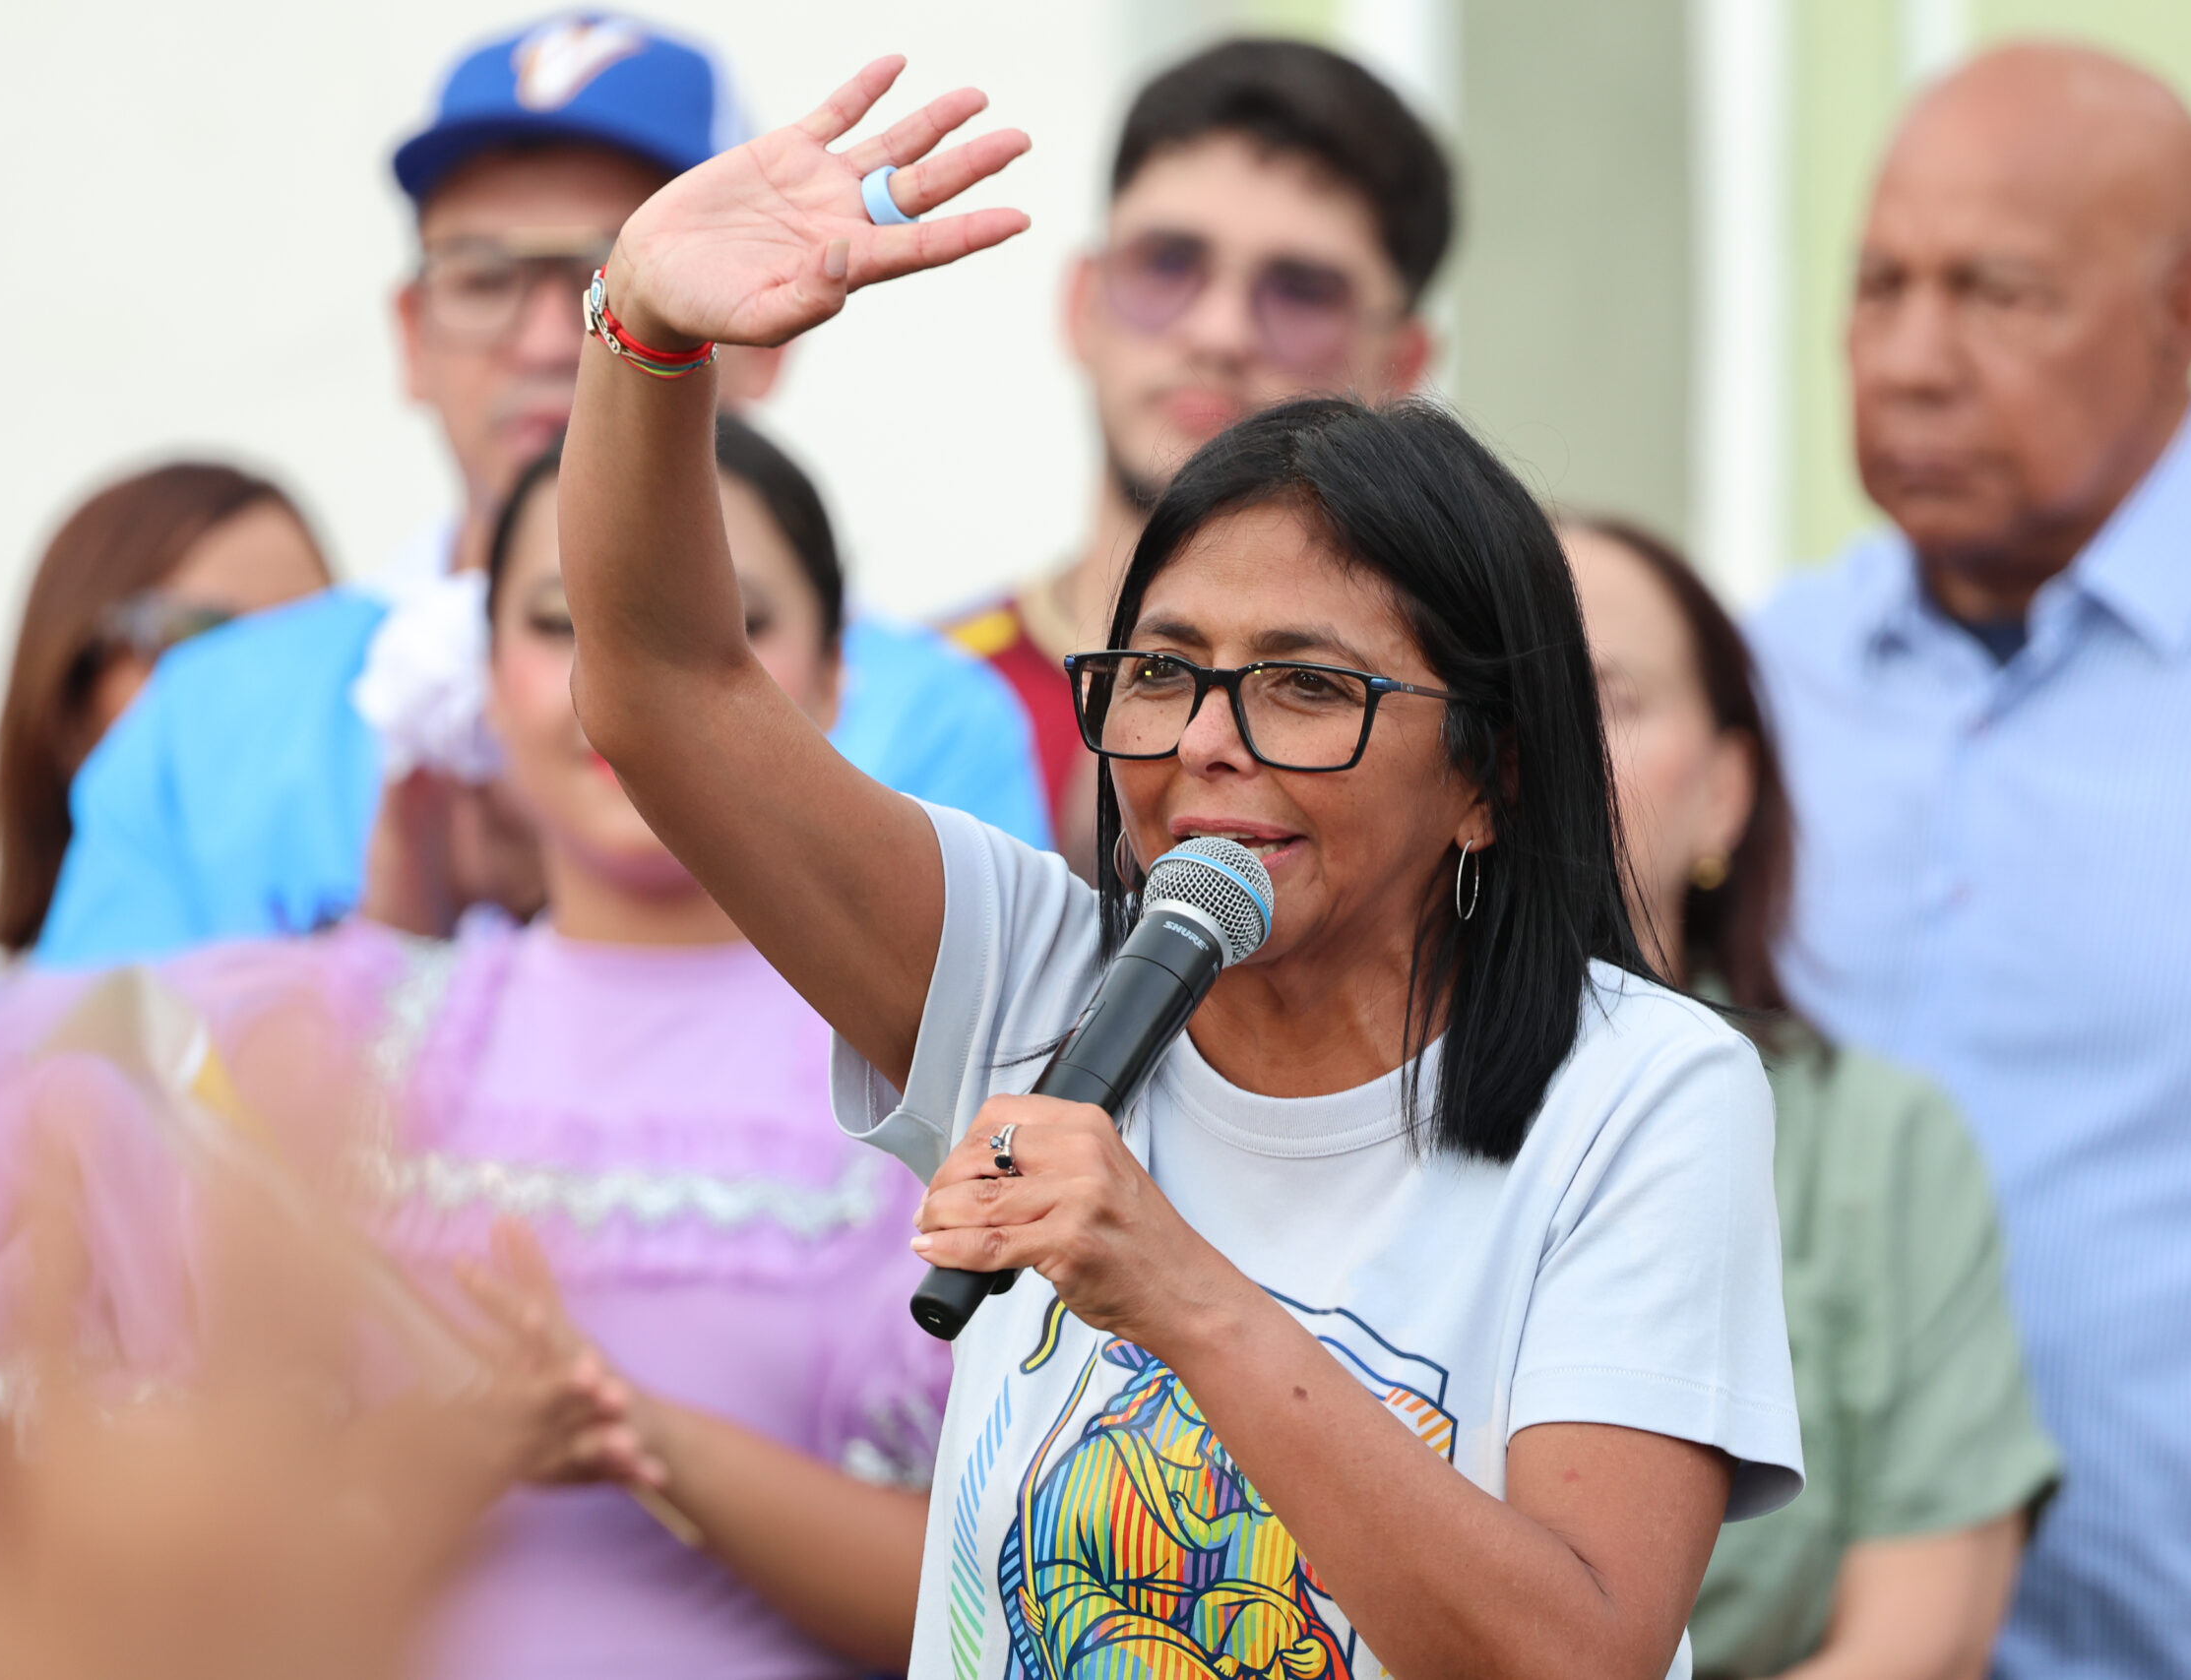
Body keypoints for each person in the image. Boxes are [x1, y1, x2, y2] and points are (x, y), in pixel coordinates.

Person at [553, 59, 1802, 1679]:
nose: (1211, 739)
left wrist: (1182, 1292)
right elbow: (663, 687)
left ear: (1487, 777)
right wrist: (649, 338)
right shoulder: (1024, 982)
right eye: (1164, 671)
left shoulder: (1640, 1094)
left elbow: (1575, 1653)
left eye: (1306, 685)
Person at [0, 412, 953, 1679]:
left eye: (718, 619)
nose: (627, 671)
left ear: (837, 673)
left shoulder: (933, 1074)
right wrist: (443, 1453)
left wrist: (641, 1434)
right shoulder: (322, 1039)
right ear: (481, 673)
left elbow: (1001, 1598)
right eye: (559, 622)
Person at [1744, 42, 2191, 1680]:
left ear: (2185, 309)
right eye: (1879, 284)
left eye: (1999, 294)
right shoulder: (1760, 684)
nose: (1910, 358)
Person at [36, 13, 1047, 967]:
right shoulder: (201, 717)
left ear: (772, 336)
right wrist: (394, 950)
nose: (550, 340)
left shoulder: (932, 725)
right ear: (410, 335)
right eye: (479, 277)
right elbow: (76, 1113)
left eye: (621, 276)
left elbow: (987, 1100)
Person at [1561, 515, 2060, 1679]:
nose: (1546, 750)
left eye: (1609, 701)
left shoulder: (1878, 1147)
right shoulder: (1306, 1111)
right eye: (1492, 699)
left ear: (1726, 793)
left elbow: (1922, 1638)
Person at [944, 37, 1449, 875]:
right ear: (1082, 306)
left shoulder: (1449, 730)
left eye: (1302, 290)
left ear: (1404, 364)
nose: (1219, 333)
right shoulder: (888, 697)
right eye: (1168, 263)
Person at [0, 463, 333, 954]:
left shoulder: (435, 995)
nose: (266, 690)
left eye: (313, 645)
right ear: (68, 708)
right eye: (198, 639)